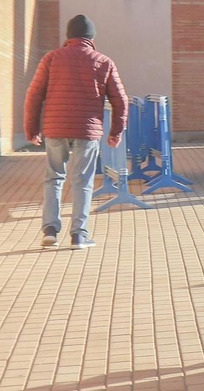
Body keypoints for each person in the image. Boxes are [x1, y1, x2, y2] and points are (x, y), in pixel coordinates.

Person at [24, 14, 128, 249]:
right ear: (91, 37)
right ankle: (79, 235)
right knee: (83, 181)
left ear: (68, 36)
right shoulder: (103, 61)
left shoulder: (51, 58)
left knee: (54, 178)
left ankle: (50, 231)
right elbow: (121, 100)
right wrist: (116, 132)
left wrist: (31, 129)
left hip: (55, 128)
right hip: (87, 130)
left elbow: (34, 95)